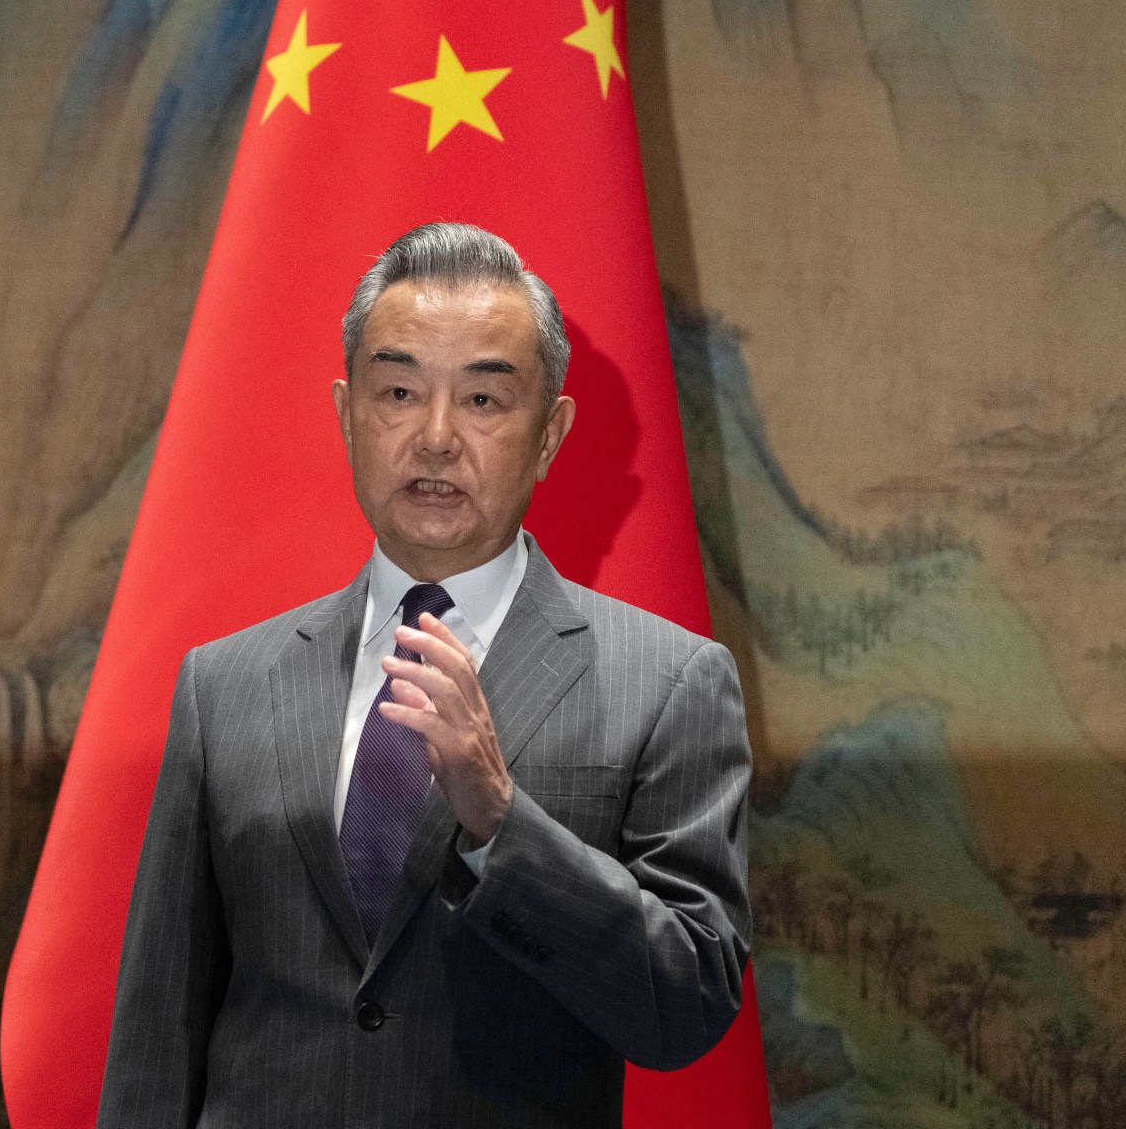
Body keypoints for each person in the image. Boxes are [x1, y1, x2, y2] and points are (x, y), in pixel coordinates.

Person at [99, 223, 752, 1128]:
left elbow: (687, 1005)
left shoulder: (672, 683)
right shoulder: (225, 686)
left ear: (550, 433)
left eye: (484, 401)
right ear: (346, 416)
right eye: (399, 391)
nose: (436, 438)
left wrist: (500, 822)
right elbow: (156, 1033)